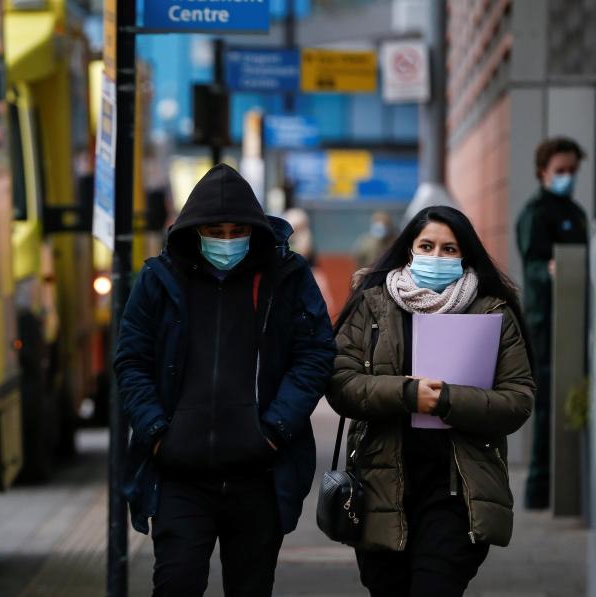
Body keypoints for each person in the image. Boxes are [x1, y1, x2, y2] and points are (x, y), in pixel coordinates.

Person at [115, 164, 335, 597]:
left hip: (259, 476)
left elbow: (315, 354)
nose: (228, 240)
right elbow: (131, 359)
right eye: (216, 229)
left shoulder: (286, 278)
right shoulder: (158, 281)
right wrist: (157, 432)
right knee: (175, 584)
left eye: (238, 230)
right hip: (180, 475)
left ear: (255, 230)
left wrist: (274, 431)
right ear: (194, 230)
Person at [327, 205, 535, 597]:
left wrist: (446, 400)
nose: (436, 257)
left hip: (458, 489)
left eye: (449, 249)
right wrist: (406, 394)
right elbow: (341, 383)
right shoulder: (371, 305)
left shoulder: (493, 310)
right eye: (427, 246)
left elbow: (518, 399)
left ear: (465, 255)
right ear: (409, 250)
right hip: (381, 486)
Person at [516, 136, 588, 509]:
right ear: (543, 170)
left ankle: (566, 482)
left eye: (573, 171)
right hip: (547, 322)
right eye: (561, 171)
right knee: (546, 406)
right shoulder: (536, 213)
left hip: (575, 319)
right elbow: (533, 267)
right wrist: (551, 272)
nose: (567, 177)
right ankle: (540, 489)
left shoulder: (574, 212)